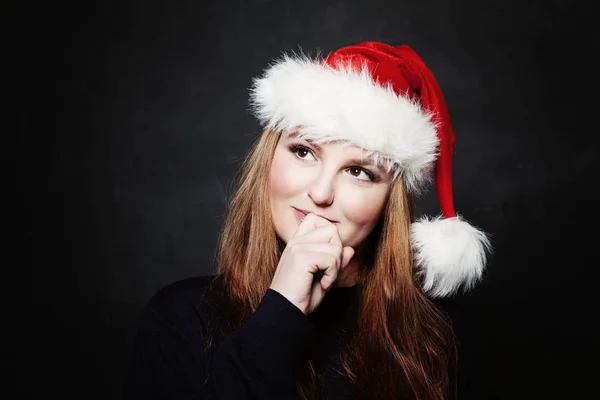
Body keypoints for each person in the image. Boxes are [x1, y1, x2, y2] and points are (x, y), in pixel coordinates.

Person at [123, 41, 492, 399]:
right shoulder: (180, 321)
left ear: (389, 202)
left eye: (359, 171)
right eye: (303, 151)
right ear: (269, 159)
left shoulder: (445, 342)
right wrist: (281, 311)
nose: (320, 193)